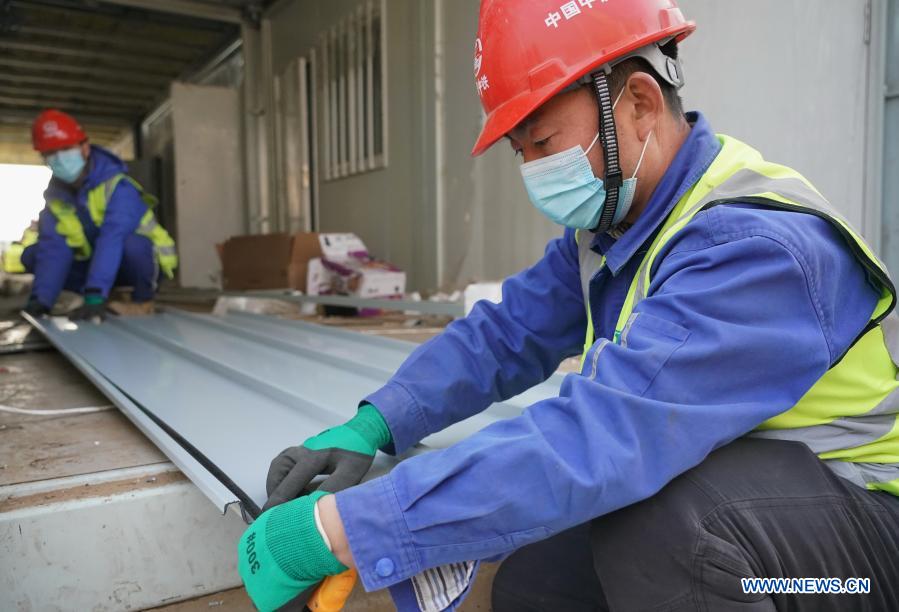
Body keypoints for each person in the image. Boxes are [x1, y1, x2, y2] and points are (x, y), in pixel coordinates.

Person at [237, 1, 899, 610]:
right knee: (537, 580)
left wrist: (344, 529)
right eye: (518, 151)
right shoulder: (616, 228)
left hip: (860, 548)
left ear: (638, 101)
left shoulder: (754, 248)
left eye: (543, 142)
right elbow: (504, 335)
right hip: (765, 498)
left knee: (667, 533)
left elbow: (605, 435)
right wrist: (376, 424)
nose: (530, 169)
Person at [21, 109, 177, 321]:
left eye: (66, 149)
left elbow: (112, 239)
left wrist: (95, 294)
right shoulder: (56, 199)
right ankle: (73, 295)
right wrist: (41, 300)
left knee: (134, 245)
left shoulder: (118, 187)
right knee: (33, 253)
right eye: (50, 153)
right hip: (96, 262)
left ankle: (143, 300)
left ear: (85, 148)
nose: (59, 158)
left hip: (135, 263)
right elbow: (54, 249)